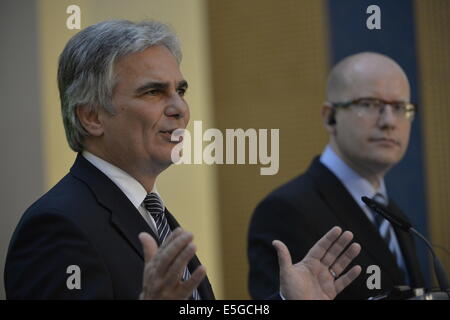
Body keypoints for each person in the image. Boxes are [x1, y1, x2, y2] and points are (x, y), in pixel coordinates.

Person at [5, 20, 361, 300]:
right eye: (154, 91)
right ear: (91, 117)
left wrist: (286, 299)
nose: (179, 109)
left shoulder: (150, 212)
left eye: (181, 90)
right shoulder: (57, 226)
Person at [248, 52, 425, 300]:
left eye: (399, 108)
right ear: (330, 118)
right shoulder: (284, 210)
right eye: (369, 104)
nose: (389, 121)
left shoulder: (393, 214)